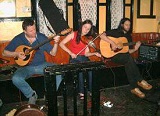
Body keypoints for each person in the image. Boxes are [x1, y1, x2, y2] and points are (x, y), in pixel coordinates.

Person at [2, 19, 62, 104]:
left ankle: (49, 95)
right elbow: (4, 53)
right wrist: (16, 54)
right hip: (25, 67)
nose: (34, 32)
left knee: (58, 72)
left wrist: (56, 43)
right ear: (24, 31)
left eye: (34, 29)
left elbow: (53, 53)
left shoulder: (41, 37)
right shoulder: (18, 38)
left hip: (42, 65)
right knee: (16, 78)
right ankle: (31, 95)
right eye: (31, 31)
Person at [100, 18, 152, 98]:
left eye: (129, 25)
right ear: (122, 24)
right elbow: (102, 36)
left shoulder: (128, 37)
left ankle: (134, 87)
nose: (128, 26)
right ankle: (139, 80)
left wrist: (135, 49)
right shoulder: (115, 32)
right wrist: (112, 43)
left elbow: (127, 51)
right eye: (126, 24)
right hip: (112, 56)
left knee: (128, 60)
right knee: (128, 59)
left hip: (124, 57)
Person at [59, 19, 101, 99]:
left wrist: (94, 53)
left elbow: (86, 53)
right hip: (74, 58)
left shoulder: (87, 39)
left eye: (88, 29)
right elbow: (61, 44)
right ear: (81, 26)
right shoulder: (73, 34)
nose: (86, 30)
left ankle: (91, 90)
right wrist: (71, 53)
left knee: (91, 69)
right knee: (80, 70)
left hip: (83, 58)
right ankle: (81, 92)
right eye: (85, 27)